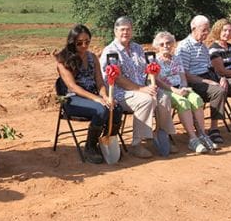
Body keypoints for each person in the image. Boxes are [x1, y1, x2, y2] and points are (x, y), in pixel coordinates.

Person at [175, 15, 231, 143]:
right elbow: (184, 74)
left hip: (210, 77)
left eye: (207, 30)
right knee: (218, 91)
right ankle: (214, 128)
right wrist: (206, 81)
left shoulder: (203, 47)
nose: (206, 33)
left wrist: (221, 78)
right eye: (204, 30)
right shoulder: (184, 47)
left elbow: (211, 68)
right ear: (193, 28)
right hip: (194, 81)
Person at [99, 17, 177, 158]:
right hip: (119, 93)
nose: (126, 32)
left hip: (142, 88)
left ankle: (161, 136)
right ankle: (136, 144)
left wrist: (151, 79)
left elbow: (145, 70)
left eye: (128, 29)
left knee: (164, 97)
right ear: (115, 31)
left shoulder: (137, 48)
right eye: (122, 29)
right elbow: (117, 78)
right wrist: (140, 89)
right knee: (146, 100)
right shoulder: (110, 51)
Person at [55, 24, 122, 164]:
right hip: (72, 99)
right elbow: (72, 87)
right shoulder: (62, 60)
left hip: (94, 96)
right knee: (101, 109)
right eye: (79, 43)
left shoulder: (92, 57)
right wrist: (97, 99)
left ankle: (107, 139)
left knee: (116, 107)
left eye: (87, 42)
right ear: (72, 42)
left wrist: (105, 96)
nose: (84, 45)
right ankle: (90, 147)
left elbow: (99, 82)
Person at [152, 31, 218, 153]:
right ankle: (193, 139)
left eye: (168, 43)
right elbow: (158, 81)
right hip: (166, 90)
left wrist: (184, 87)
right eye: (162, 44)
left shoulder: (177, 58)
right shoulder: (154, 61)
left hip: (180, 88)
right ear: (157, 46)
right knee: (183, 102)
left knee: (196, 99)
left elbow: (182, 76)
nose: (165, 46)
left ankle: (202, 134)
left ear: (172, 44)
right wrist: (176, 91)